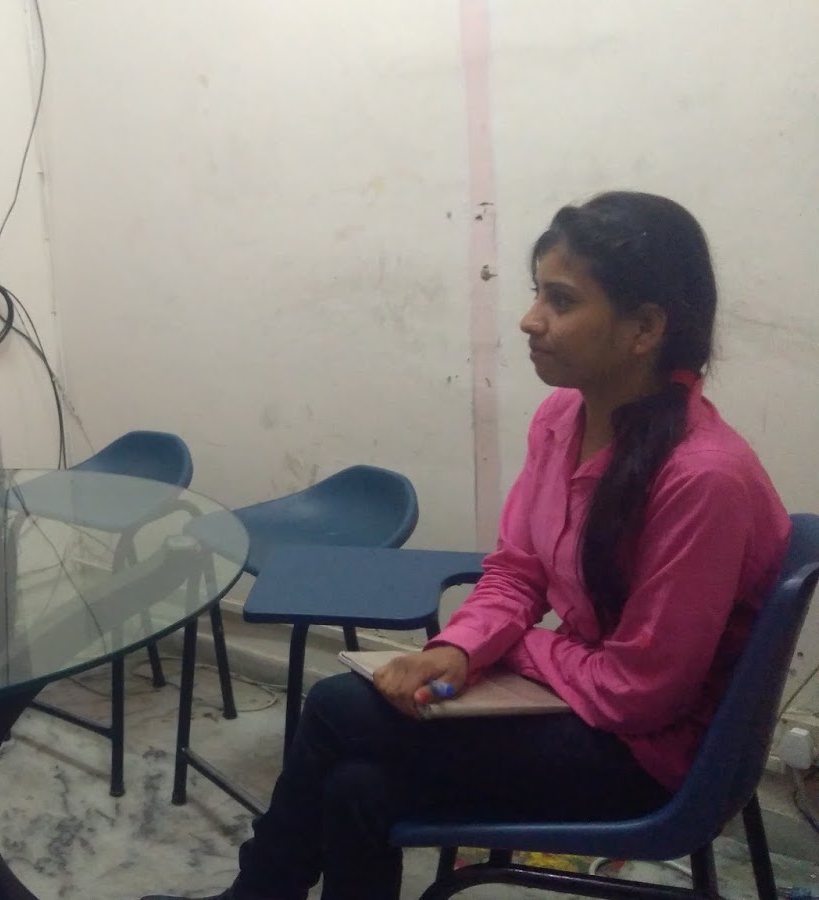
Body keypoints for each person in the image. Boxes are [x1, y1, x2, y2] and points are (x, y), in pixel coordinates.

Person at [145, 192, 791, 900]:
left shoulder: (703, 479)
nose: (530, 319)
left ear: (644, 327)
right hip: (583, 702)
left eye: (561, 300)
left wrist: (507, 650)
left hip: (649, 757)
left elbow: (639, 695)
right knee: (356, 785)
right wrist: (458, 648)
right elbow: (517, 571)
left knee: (336, 709)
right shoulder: (562, 418)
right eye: (536, 293)